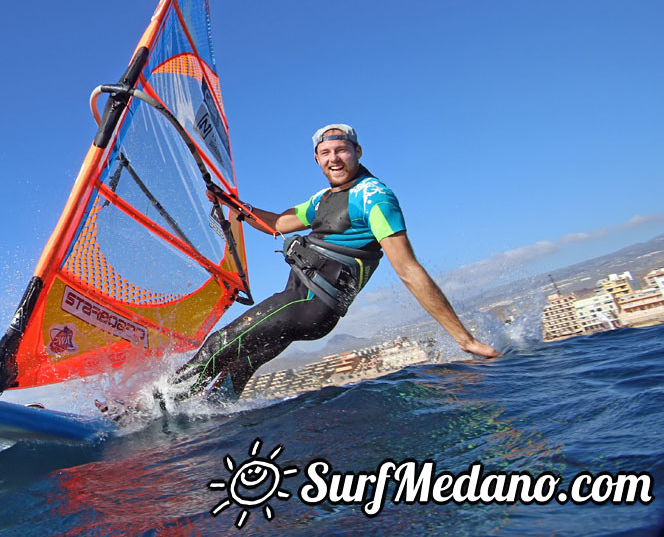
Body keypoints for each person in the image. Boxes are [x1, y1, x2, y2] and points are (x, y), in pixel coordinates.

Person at [170, 123, 500, 400]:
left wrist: (464, 339)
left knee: (220, 344)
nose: (334, 159)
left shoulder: (374, 197)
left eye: (341, 150)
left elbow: (409, 270)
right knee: (239, 364)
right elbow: (279, 224)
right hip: (305, 305)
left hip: (311, 303)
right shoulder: (323, 199)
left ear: (357, 152)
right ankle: (203, 414)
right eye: (326, 153)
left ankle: (154, 405)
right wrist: (234, 204)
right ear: (316, 159)